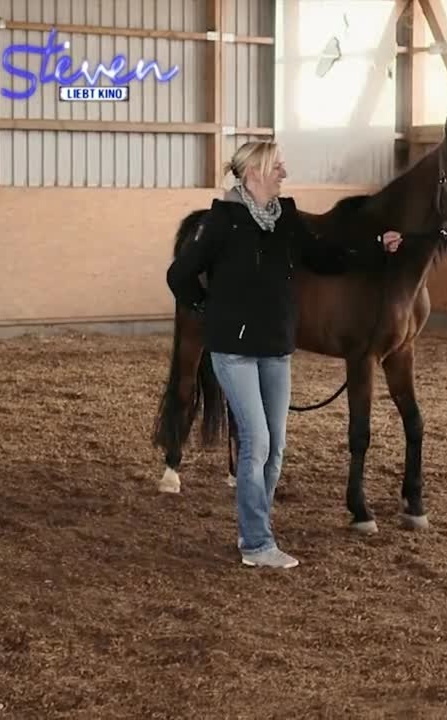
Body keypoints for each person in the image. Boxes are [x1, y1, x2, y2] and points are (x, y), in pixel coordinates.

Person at [166, 141, 404, 569]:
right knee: (256, 442)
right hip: (234, 353)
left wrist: (375, 247)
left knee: (275, 448)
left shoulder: (286, 218)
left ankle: (255, 528)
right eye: (276, 166)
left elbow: (326, 258)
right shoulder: (222, 221)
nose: (283, 172)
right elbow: (180, 274)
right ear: (253, 173)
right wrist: (208, 311)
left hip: (276, 348)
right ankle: (256, 543)